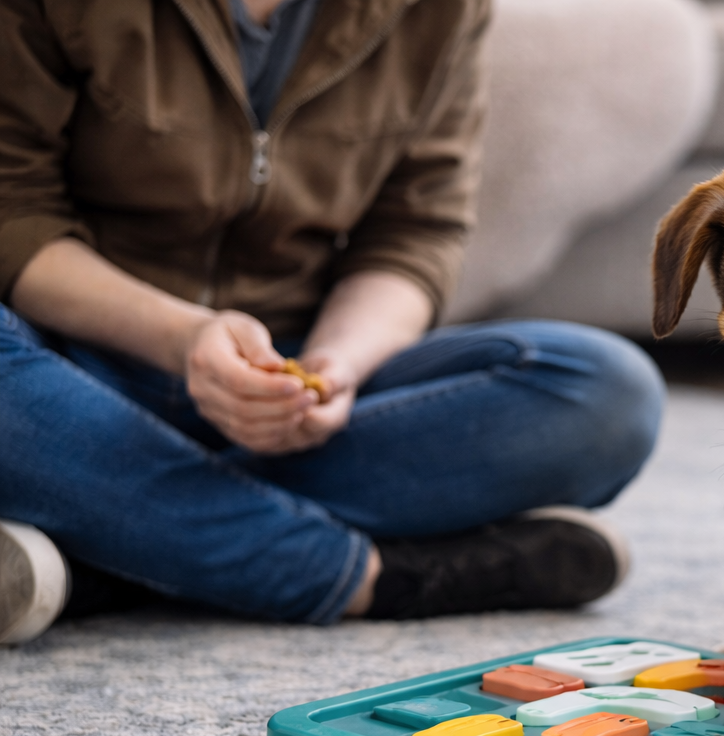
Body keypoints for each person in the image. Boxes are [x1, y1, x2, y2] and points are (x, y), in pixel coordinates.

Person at [0, 0, 665, 645]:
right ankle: (366, 577)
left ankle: (101, 540)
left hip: (296, 380)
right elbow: (14, 213)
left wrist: (336, 364)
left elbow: (415, 234)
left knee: (609, 394)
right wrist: (183, 337)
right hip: (69, 370)